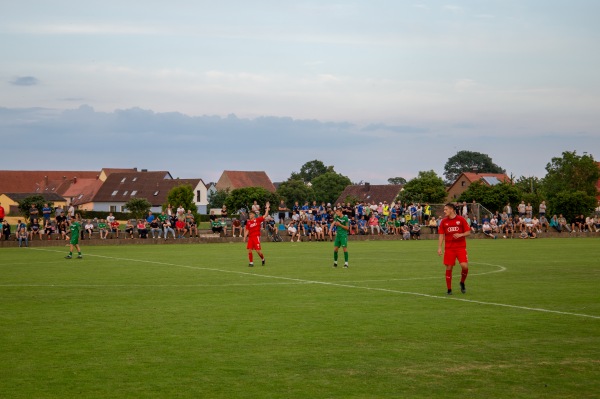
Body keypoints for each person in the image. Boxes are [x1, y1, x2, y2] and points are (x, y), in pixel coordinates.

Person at [438, 203, 470, 295]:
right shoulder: (444, 221)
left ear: (451, 209)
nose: (444, 211)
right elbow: (441, 235)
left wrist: (461, 234)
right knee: (449, 267)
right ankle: (449, 289)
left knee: (465, 266)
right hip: (449, 248)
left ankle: (462, 282)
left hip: (460, 248)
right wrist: (439, 247)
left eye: (446, 209)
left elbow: (468, 232)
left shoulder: (461, 219)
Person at [243, 202, 270, 267]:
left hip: (256, 237)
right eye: (249, 215)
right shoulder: (248, 222)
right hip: (251, 238)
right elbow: (247, 230)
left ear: (254, 215)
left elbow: (265, 215)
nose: (250, 216)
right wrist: (244, 237)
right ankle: (251, 262)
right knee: (249, 250)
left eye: (251, 214)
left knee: (258, 251)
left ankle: (263, 259)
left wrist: (267, 207)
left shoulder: (258, 220)